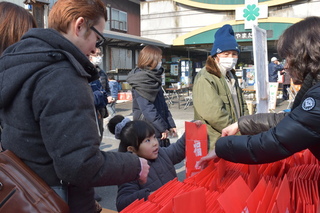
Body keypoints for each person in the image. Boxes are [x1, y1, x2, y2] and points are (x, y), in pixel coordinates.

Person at [0, 0, 150, 212]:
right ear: (79, 26)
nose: (95, 48)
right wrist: (135, 165)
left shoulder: (25, 64)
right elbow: (80, 165)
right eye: (98, 39)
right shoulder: (61, 73)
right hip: (56, 199)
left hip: (26, 193)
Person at [196, 16, 320, 168]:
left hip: (230, 141)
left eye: (289, 58)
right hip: (220, 137)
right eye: (226, 54)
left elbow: (276, 141)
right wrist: (241, 125)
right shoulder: (207, 77)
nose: (285, 66)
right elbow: (212, 112)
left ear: (306, 56)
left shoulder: (317, 96)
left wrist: (231, 138)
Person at [107, 115, 202, 212]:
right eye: (147, 140)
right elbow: (122, 203)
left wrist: (191, 129)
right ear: (132, 149)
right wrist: (147, 195)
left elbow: (178, 149)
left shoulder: (162, 153)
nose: (155, 143)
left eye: (154, 137)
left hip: (175, 207)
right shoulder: (130, 170)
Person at [192, 24, 248, 151]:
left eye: (234, 54)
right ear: (215, 55)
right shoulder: (206, 77)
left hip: (234, 139)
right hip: (215, 142)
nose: (231, 58)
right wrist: (238, 132)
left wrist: (246, 126)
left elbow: (243, 105)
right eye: (226, 54)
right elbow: (214, 114)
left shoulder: (231, 75)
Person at [127, 45, 177, 147]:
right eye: (159, 58)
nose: (160, 61)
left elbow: (163, 105)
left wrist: (170, 124)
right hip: (147, 127)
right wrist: (162, 127)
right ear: (151, 59)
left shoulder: (154, 76)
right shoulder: (141, 79)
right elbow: (148, 109)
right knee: (153, 159)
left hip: (157, 125)